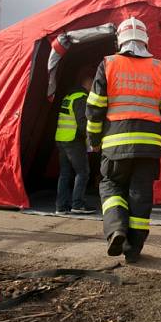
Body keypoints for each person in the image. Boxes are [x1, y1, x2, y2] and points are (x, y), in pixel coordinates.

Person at [86, 17, 161, 264]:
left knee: (110, 185)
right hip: (149, 146)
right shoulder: (159, 68)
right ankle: (134, 249)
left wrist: (94, 139)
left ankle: (116, 230)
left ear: (120, 40)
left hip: (115, 143)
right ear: (146, 40)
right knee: (140, 194)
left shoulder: (108, 64)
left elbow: (94, 108)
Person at [55, 69, 96, 215]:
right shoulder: (81, 97)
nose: (94, 87)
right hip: (73, 140)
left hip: (61, 138)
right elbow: (82, 123)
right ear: (88, 83)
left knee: (65, 173)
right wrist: (91, 140)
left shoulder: (69, 95)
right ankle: (77, 204)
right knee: (83, 172)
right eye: (93, 84)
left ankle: (61, 206)